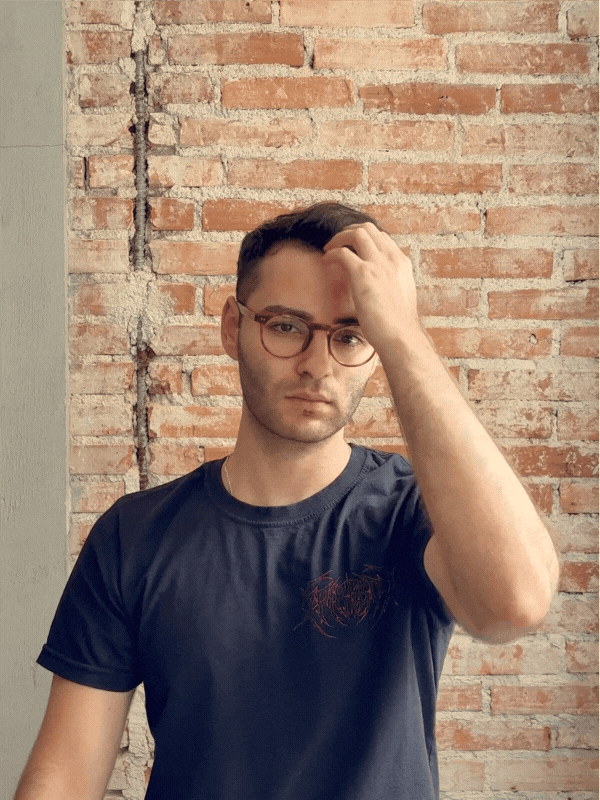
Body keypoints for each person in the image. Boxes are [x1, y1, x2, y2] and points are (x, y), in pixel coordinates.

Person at [15, 202, 559, 800]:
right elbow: (65, 774)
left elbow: (516, 604)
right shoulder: (135, 534)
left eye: (351, 336)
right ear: (233, 327)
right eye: (286, 327)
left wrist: (404, 334)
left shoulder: (413, 512)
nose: (316, 366)